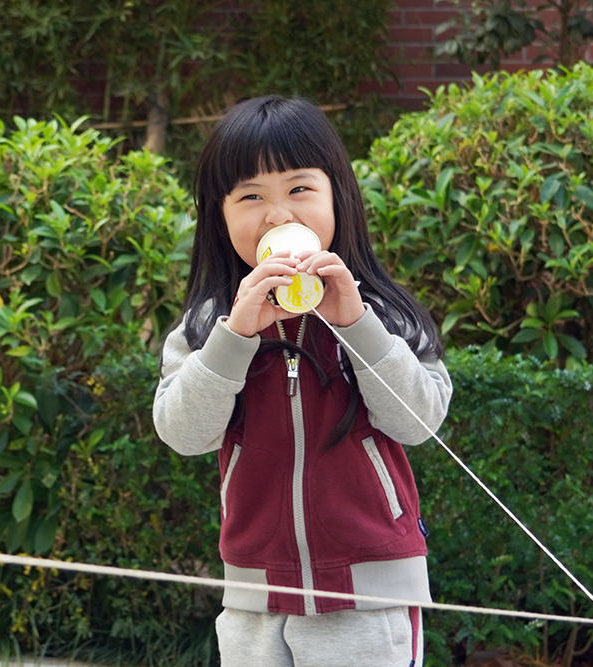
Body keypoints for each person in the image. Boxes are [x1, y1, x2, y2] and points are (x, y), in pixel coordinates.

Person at [152, 95, 452, 667]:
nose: (278, 215)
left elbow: (419, 423)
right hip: (254, 594)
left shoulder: (384, 314)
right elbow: (184, 433)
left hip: (371, 596)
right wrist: (234, 334)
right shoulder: (208, 324)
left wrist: (356, 324)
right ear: (219, 215)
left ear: (338, 195)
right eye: (250, 197)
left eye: (299, 189)